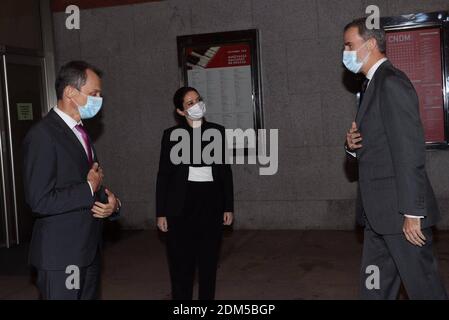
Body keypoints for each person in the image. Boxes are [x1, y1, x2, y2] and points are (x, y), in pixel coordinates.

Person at [343, 18, 447, 300]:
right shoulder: (370, 86)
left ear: (371, 44)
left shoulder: (391, 82)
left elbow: (408, 148)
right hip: (378, 215)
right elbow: (378, 144)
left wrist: (413, 212)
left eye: (349, 45)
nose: (346, 53)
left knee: (425, 289)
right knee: (374, 288)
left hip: (401, 216)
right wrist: (352, 146)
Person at [22, 60, 121, 300]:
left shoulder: (80, 132)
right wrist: (88, 188)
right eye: (93, 93)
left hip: (88, 251)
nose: (99, 100)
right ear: (70, 92)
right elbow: (40, 200)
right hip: (62, 256)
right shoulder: (43, 135)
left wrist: (112, 205)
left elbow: (88, 182)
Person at [156, 86, 234, 300]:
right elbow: (163, 175)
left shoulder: (217, 132)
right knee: (182, 266)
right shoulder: (171, 136)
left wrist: (228, 206)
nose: (196, 105)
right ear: (181, 111)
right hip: (180, 207)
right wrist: (161, 212)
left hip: (210, 205)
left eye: (198, 100)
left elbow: (225, 172)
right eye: (190, 103)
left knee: (208, 265)